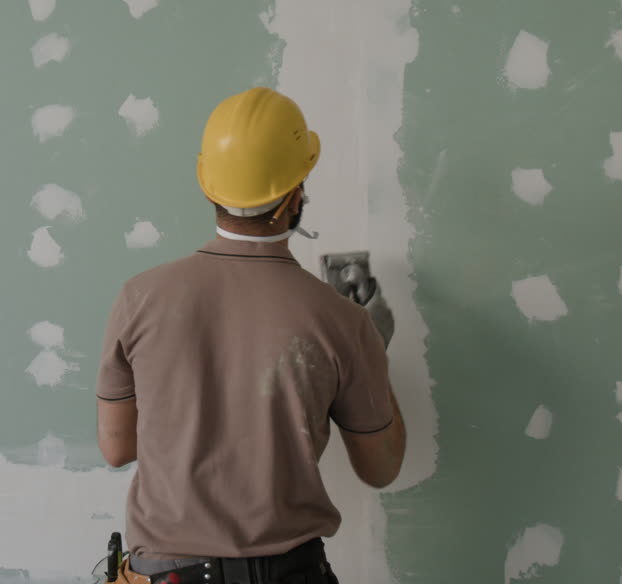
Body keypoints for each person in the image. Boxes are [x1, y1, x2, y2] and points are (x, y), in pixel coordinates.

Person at [95, 87, 406, 584]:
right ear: (295, 195)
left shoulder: (140, 298)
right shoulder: (343, 322)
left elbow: (117, 448)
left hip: (164, 575)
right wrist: (373, 350)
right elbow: (381, 468)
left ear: (208, 186)